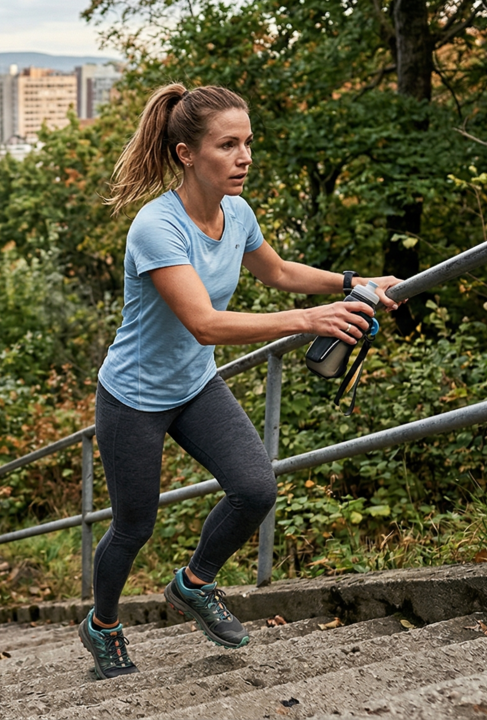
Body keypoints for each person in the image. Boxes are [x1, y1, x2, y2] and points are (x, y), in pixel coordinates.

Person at [76, 83, 405, 681]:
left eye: (247, 143)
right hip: (134, 398)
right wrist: (308, 320)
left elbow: (276, 270)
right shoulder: (157, 227)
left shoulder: (238, 213)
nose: (244, 157)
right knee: (134, 525)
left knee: (255, 488)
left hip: (194, 386)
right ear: (186, 154)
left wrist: (352, 283)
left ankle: (194, 584)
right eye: (228, 145)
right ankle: (102, 627)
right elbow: (203, 322)